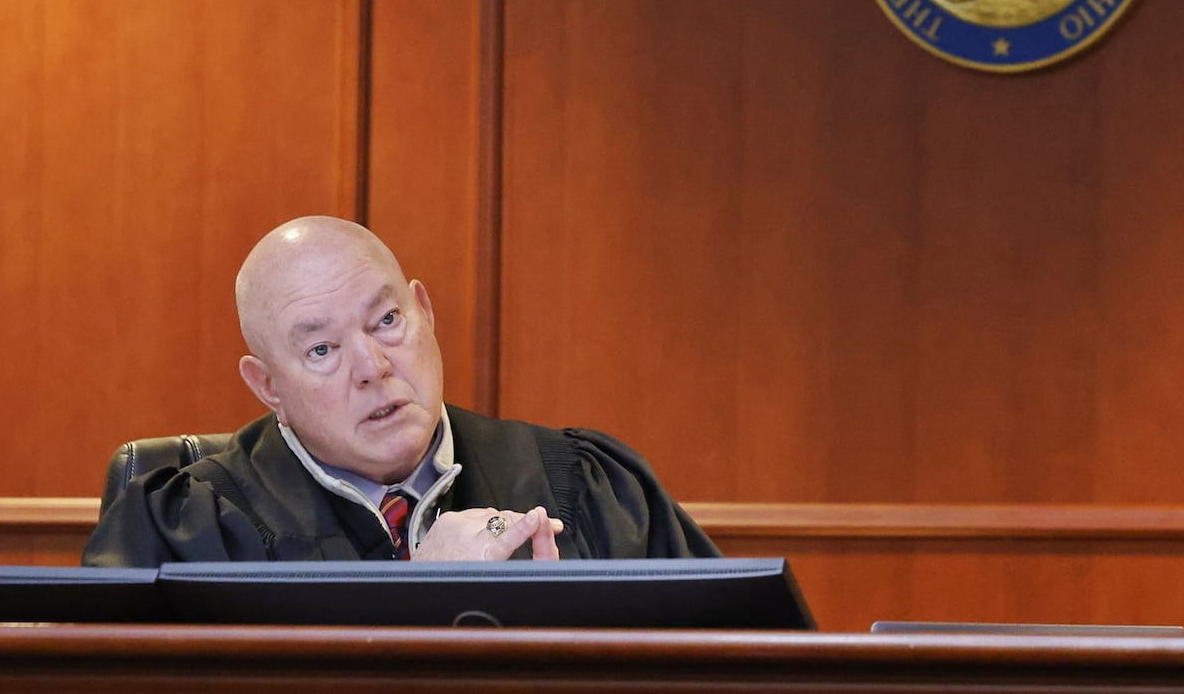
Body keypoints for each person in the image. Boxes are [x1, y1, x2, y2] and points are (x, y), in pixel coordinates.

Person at [84, 216, 717, 565]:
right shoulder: (187, 533)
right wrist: (426, 600)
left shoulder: (585, 488)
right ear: (267, 385)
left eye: (387, 322)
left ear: (424, 311)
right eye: (322, 349)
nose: (373, 365)